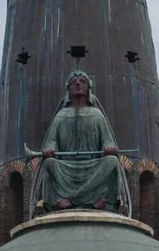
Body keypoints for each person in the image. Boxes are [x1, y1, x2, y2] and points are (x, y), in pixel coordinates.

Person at [32, 69, 132, 214]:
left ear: (88, 88)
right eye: (74, 82)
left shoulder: (97, 115)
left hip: (93, 166)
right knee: (48, 163)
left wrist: (109, 149)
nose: (78, 84)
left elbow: (108, 142)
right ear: (69, 88)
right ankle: (79, 201)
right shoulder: (61, 116)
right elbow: (51, 142)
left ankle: (72, 200)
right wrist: (49, 150)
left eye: (82, 82)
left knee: (112, 161)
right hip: (66, 167)